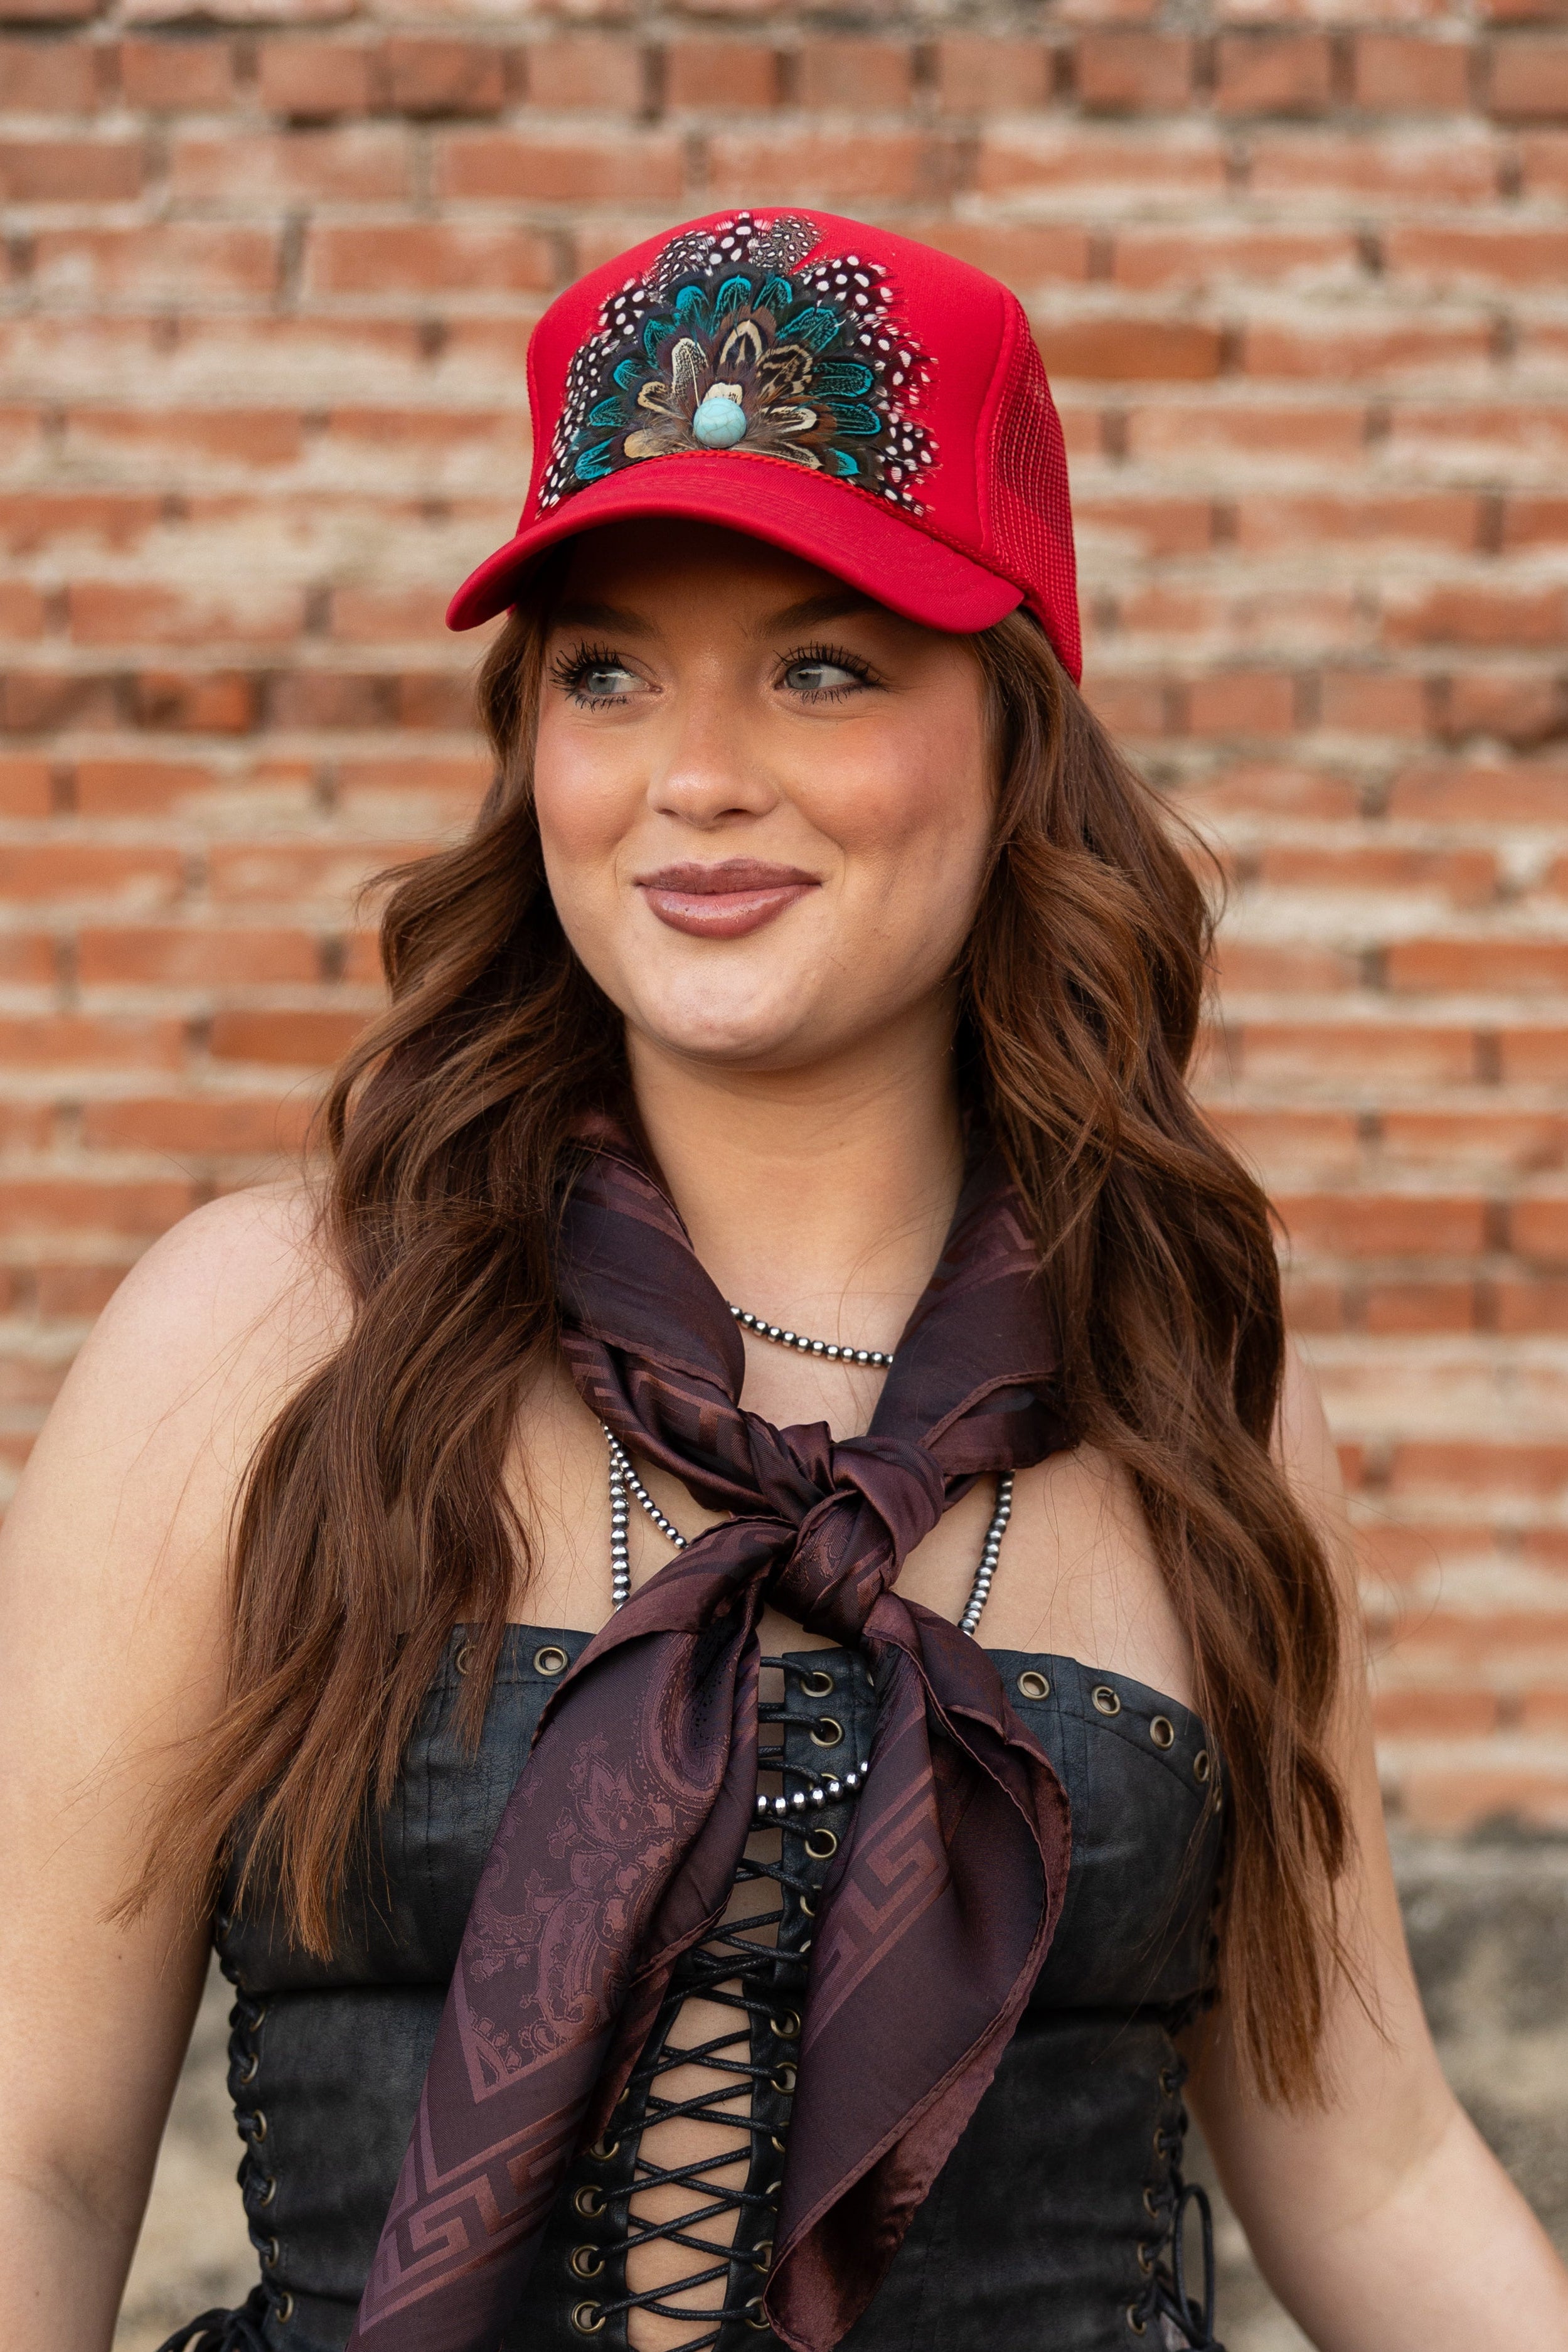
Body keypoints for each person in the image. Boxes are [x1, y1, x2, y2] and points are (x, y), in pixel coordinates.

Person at [1, 207, 1563, 2352]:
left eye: (822, 666)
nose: (694, 774)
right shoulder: (250, 1344)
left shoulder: (1188, 1391)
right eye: (606, 671)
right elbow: (34, 2146)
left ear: (1016, 733)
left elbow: (1369, 2166)